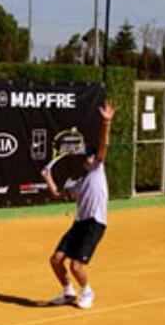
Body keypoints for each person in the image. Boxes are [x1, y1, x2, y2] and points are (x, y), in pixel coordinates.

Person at [41, 98, 116, 310]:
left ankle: (88, 292)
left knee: (76, 265)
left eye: (93, 156)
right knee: (56, 260)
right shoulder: (76, 183)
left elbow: (103, 144)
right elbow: (57, 194)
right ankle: (68, 291)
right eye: (90, 157)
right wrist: (48, 178)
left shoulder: (97, 169)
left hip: (95, 224)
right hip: (79, 224)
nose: (92, 158)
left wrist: (106, 122)